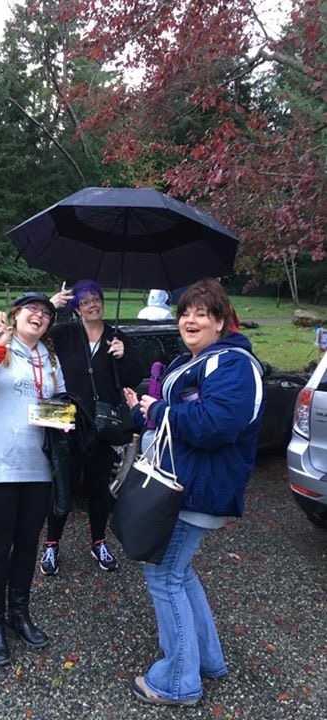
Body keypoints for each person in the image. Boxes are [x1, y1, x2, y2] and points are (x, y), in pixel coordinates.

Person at [130, 277, 265, 706]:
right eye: (185, 313)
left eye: (201, 314)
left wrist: (162, 410)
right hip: (183, 482)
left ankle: (178, 682)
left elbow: (216, 424)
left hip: (198, 487)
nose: (190, 320)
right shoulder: (198, 360)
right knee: (179, 572)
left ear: (221, 321)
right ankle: (207, 659)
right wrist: (144, 411)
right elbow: (174, 414)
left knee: (163, 575)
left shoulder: (233, 364)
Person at [0, 292, 65, 666]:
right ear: (16, 314)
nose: (40, 315)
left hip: (37, 466)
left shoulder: (50, 358)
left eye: (46, 312)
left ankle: (19, 614)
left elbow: (57, 406)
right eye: (32, 309)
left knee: (26, 545)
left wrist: (66, 420)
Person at [39, 279, 143, 575]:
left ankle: (99, 542)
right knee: (62, 486)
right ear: (76, 309)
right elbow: (32, 336)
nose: (91, 304)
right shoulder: (64, 333)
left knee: (99, 489)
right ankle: (51, 544)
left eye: (95, 298)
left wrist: (123, 357)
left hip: (103, 425)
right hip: (66, 421)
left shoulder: (117, 337)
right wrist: (50, 306)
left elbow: (134, 377)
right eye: (84, 301)